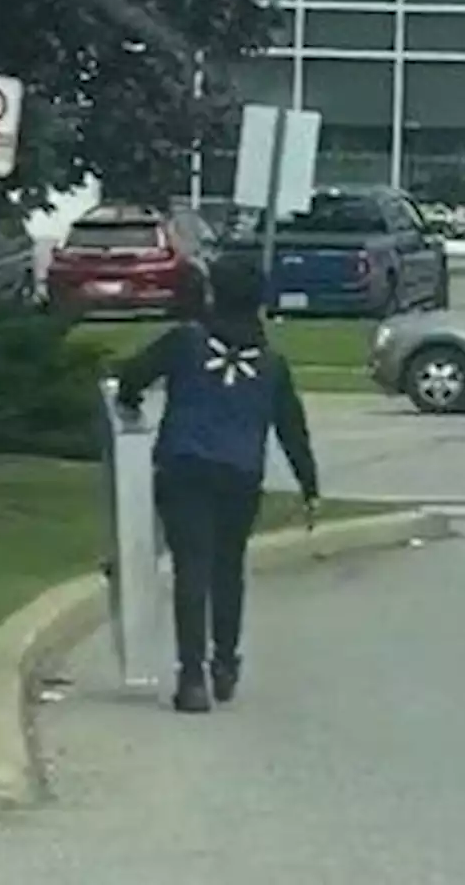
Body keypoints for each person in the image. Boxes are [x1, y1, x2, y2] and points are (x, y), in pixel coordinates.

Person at [115, 253, 319, 713]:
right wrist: (309, 486)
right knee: (228, 568)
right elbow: (292, 428)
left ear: (214, 293)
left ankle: (191, 678)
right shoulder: (272, 364)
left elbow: (133, 376)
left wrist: (128, 401)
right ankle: (224, 661)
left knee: (193, 566)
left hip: (183, 466)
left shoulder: (186, 341)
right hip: (241, 473)